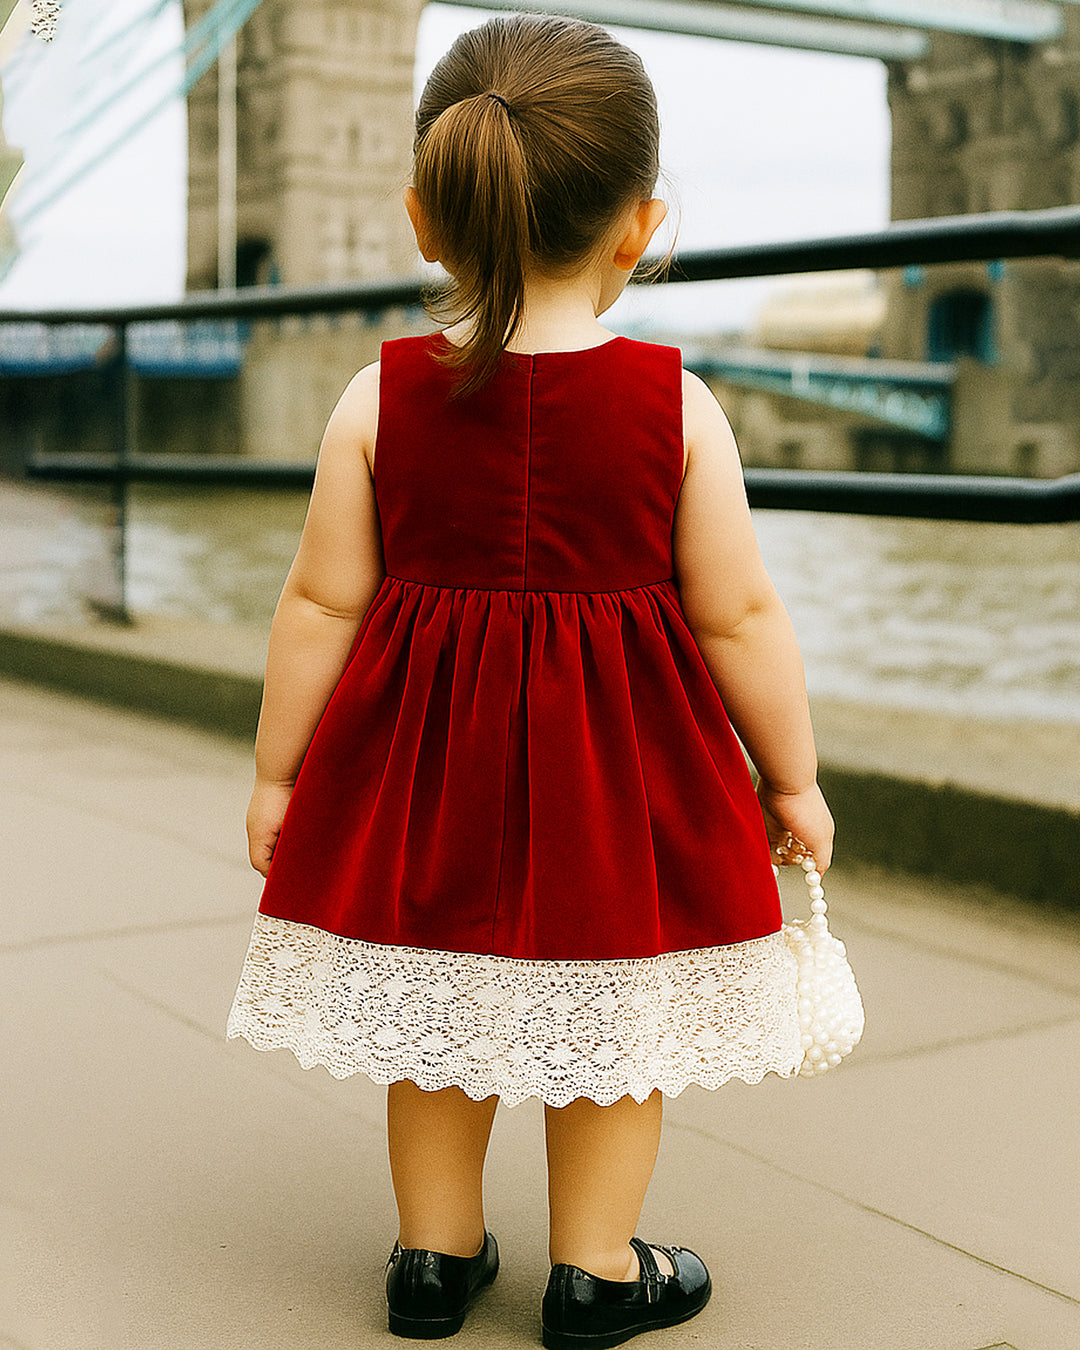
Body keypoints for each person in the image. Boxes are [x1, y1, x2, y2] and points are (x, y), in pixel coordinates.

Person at [227, 12, 833, 1348]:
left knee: (435, 1011)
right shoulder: (678, 405)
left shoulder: (376, 398)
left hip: (424, 773)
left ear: (424, 220)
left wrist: (278, 770)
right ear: (641, 226)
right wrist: (789, 774)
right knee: (610, 1022)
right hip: (619, 785)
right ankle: (596, 1268)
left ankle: (434, 1261)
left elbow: (322, 599)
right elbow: (737, 613)